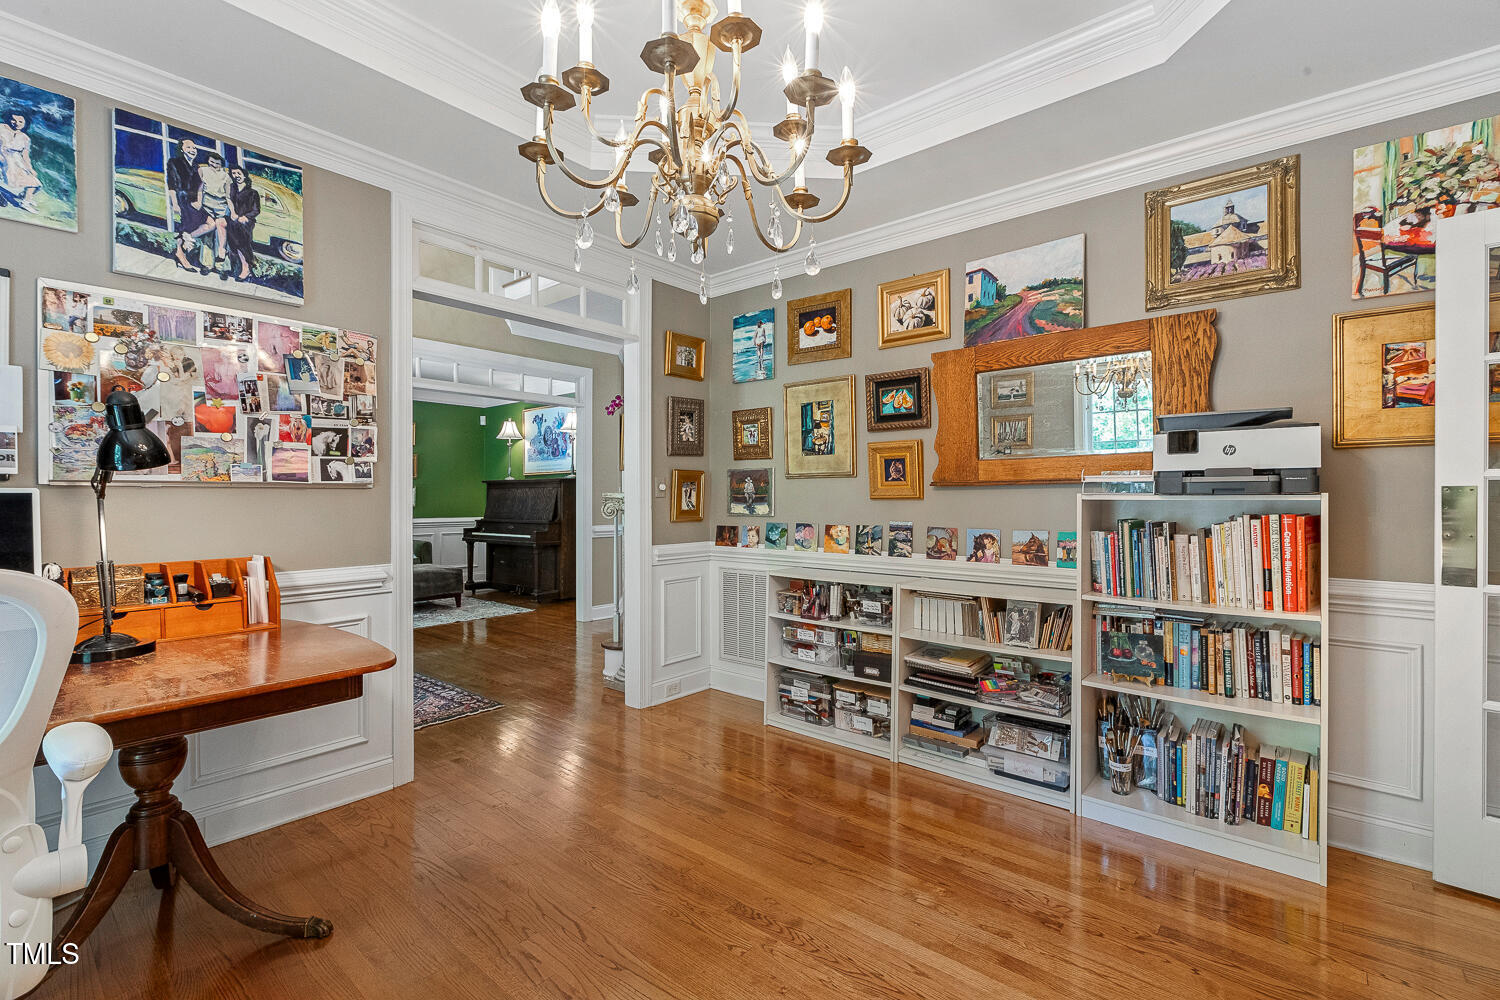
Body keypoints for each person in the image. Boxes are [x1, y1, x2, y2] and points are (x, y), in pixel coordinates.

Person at [185, 151, 231, 273]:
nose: (214, 165)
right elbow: (198, 187)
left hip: (221, 207)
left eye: (217, 163)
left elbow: (228, 196)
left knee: (221, 234)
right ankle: (207, 264)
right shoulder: (203, 171)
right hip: (206, 205)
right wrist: (198, 202)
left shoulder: (226, 176)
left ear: (221, 164)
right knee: (208, 234)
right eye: (211, 162)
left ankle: (222, 266)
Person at [0, 112, 43, 213]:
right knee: (29, 182)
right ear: (8, 119)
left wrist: (30, 169)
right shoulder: (1, 128)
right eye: (13, 120)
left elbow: (25, 156)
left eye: (20, 121)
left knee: (36, 183)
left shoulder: (25, 138)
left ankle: (25, 198)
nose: (16, 123)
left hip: (16, 161)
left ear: (25, 123)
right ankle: (25, 202)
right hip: (4, 158)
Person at [225, 165, 260, 281]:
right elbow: (229, 202)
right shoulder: (232, 188)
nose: (236, 176)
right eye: (233, 174)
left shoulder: (253, 193)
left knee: (239, 233)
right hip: (234, 219)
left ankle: (246, 267)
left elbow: (256, 210)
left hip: (247, 221)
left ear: (244, 175)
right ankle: (249, 263)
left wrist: (245, 217)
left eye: (238, 173)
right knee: (233, 228)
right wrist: (233, 214)